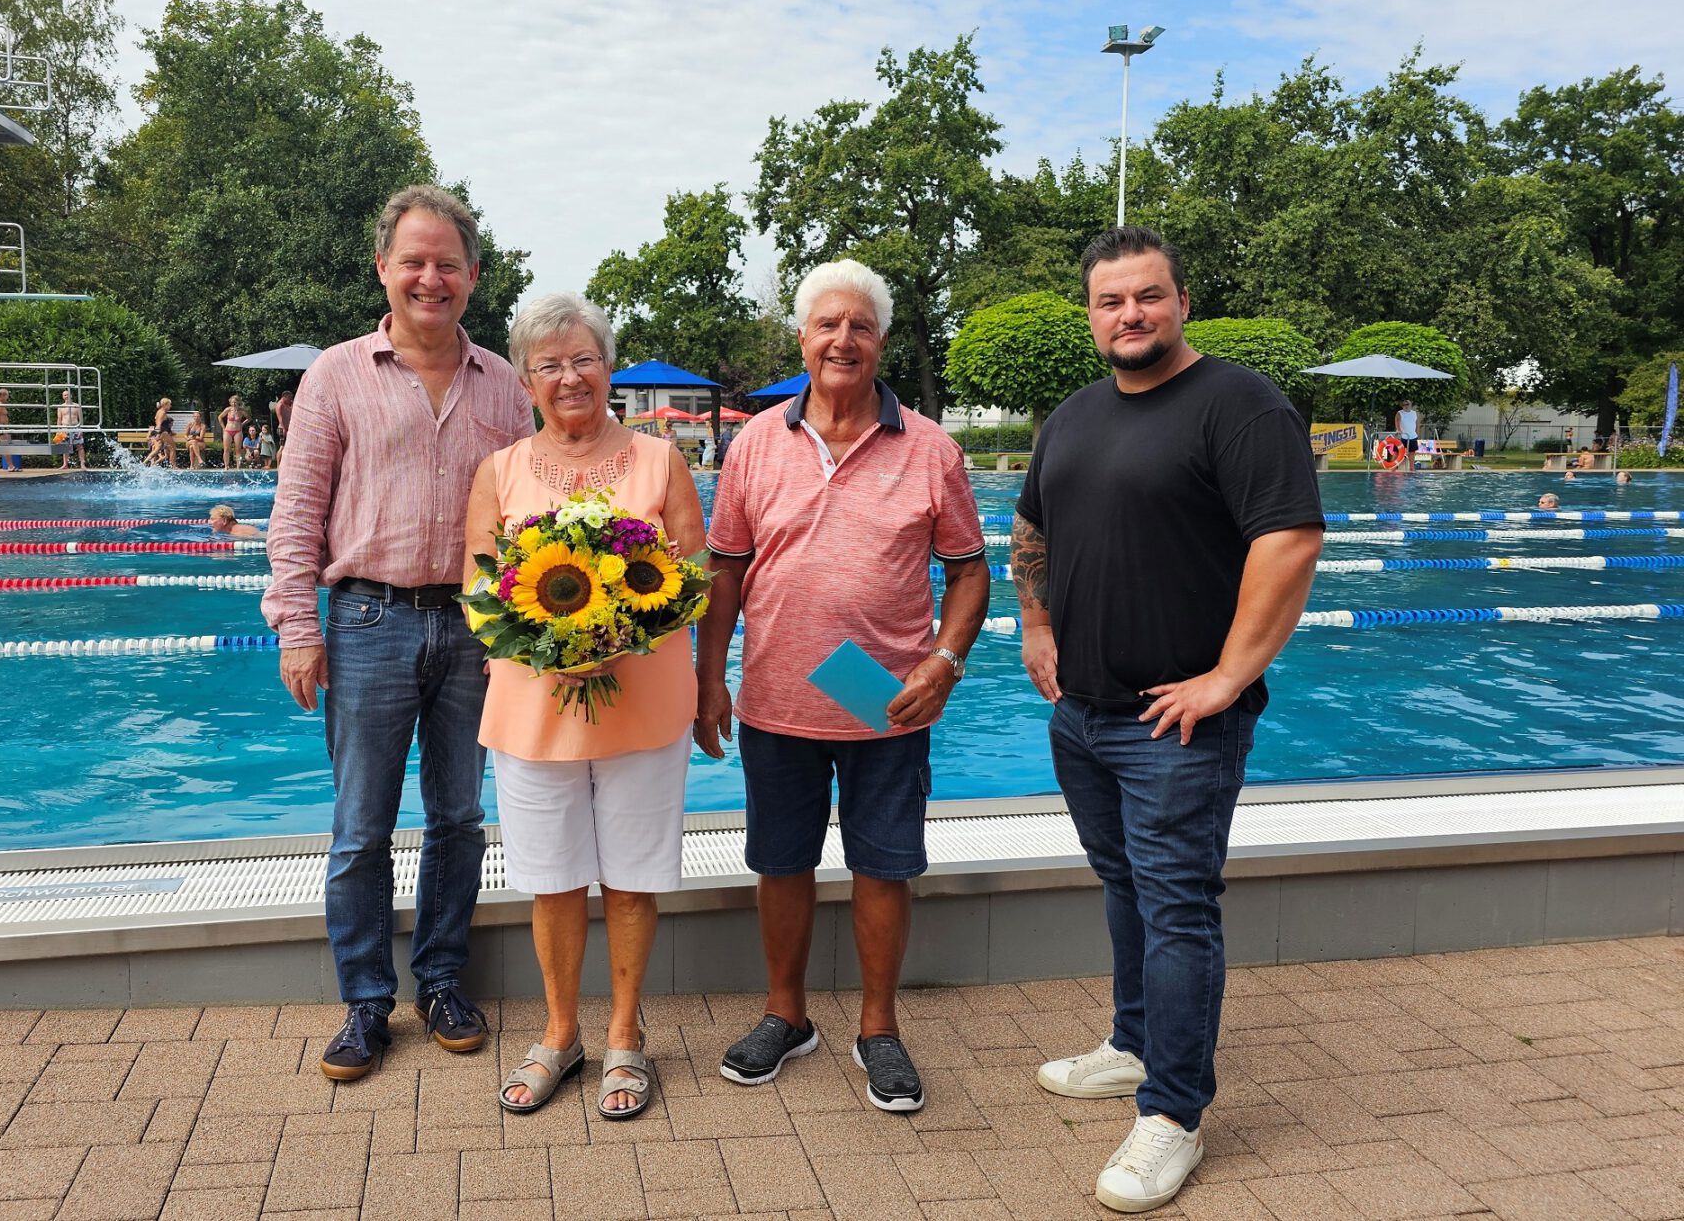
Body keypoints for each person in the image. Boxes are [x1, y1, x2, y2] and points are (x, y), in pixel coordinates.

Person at [1012, 226, 1323, 1213]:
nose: (1130, 315)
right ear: (1092, 315)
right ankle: (1135, 1041)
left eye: (1148, 297)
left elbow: (1290, 541)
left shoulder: (1239, 405)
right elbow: (1033, 525)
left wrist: (1229, 677)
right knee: (1126, 887)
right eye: (1112, 302)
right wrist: (1035, 622)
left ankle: (1174, 1114)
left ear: (1182, 302)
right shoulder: (1072, 415)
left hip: (1177, 724)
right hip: (1085, 714)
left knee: (1178, 906)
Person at [697, 259, 989, 1115]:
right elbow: (725, 574)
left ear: (882, 341)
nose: (843, 339)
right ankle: (785, 1016)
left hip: (882, 699)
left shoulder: (930, 446)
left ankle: (878, 1029)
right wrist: (709, 677)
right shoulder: (755, 443)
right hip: (778, 696)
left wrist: (944, 662)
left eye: (861, 325)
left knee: (882, 867)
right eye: (828, 324)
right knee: (780, 863)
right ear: (801, 336)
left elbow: (971, 574)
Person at [262, 184, 533, 1082]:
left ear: (473, 276)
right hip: (368, 619)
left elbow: (531, 518)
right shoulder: (335, 374)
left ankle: (444, 980)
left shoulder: (504, 383)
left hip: (472, 627)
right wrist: (299, 625)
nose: (430, 278)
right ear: (383, 268)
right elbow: (298, 509)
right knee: (360, 826)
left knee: (458, 817)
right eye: (412, 261)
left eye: (446, 263)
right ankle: (366, 1002)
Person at [465, 293, 702, 1121]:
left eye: (584, 359)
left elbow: (692, 579)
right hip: (534, 708)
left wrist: (624, 631)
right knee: (553, 881)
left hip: (642, 701)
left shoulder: (659, 462)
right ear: (527, 379)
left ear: (608, 366)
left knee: (633, 879)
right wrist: (548, 641)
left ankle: (626, 1036)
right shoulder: (499, 470)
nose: (570, 377)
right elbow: (478, 588)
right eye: (549, 364)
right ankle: (562, 1032)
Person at [0, 388, 20, 472]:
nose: (7, 398)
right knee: (7, 446)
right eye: (7, 396)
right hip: (0, 427)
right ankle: (10, 466)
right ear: (2, 395)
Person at [55, 388, 85, 470]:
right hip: (65, 427)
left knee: (80, 446)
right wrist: (58, 430)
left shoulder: (76, 406)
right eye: (64, 395)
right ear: (62, 397)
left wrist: (81, 429)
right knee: (65, 446)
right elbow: (59, 419)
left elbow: (81, 418)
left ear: (71, 395)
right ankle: (65, 464)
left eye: (67, 394)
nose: (66, 396)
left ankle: (82, 463)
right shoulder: (61, 407)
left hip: (75, 426)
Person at [145, 398, 179, 468]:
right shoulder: (162, 412)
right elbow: (158, 424)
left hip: (162, 432)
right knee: (172, 448)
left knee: (157, 450)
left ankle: (144, 463)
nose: (170, 406)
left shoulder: (160, 411)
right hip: (163, 432)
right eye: (169, 404)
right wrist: (157, 434)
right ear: (165, 405)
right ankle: (173, 466)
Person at [1394, 399, 1419, 472]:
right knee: (1396, 452)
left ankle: (1412, 469)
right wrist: (1398, 429)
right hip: (1402, 436)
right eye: (1404, 405)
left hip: (1412, 436)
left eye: (1407, 404)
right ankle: (1393, 469)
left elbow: (1417, 424)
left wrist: (1417, 434)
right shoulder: (1399, 413)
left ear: (1410, 405)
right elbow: (1397, 421)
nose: (1405, 406)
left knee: (1412, 454)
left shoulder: (1414, 413)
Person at [220, 395, 244, 468]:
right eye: (232, 402)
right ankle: (226, 465)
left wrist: (242, 424)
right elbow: (220, 417)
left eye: (235, 402)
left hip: (238, 431)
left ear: (238, 402)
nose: (234, 403)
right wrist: (223, 428)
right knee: (226, 449)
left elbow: (249, 418)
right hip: (228, 431)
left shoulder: (241, 411)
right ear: (230, 403)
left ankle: (238, 466)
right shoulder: (228, 409)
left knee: (238, 449)